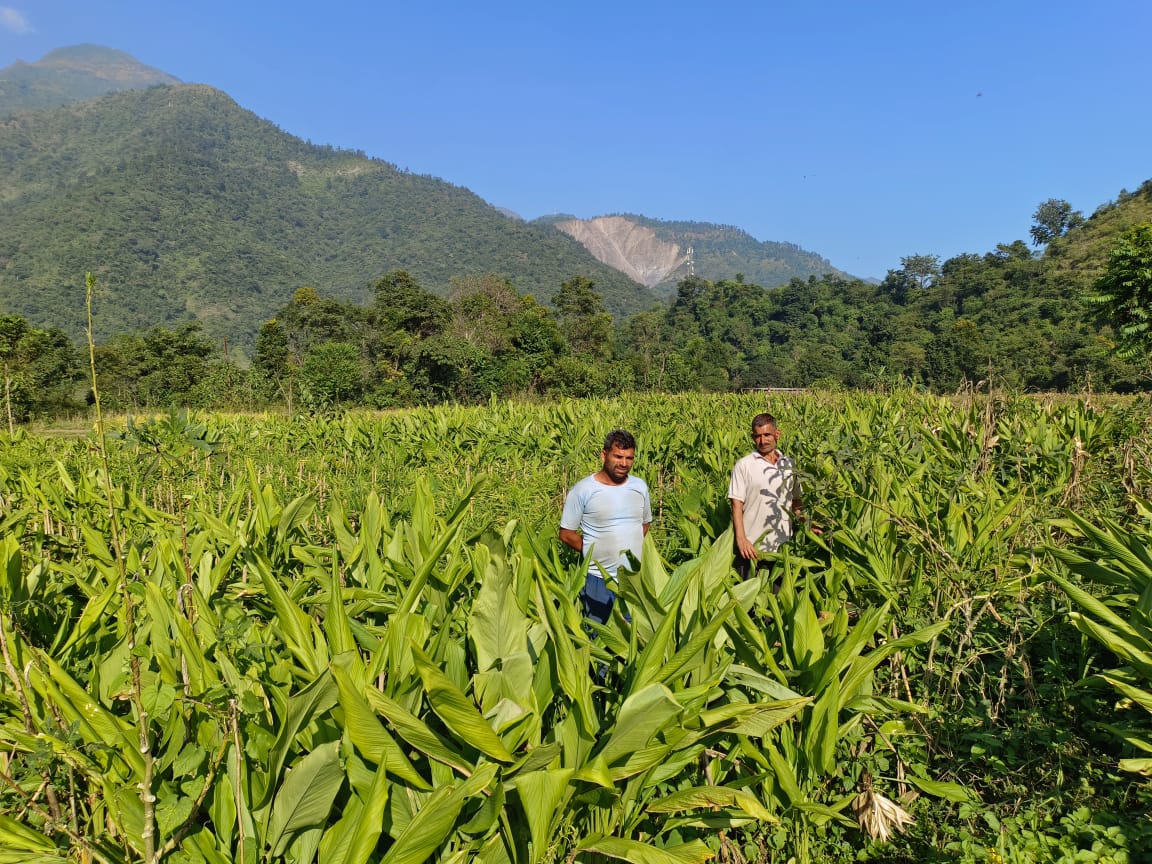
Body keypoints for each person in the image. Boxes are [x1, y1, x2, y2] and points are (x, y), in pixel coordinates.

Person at [560, 429, 653, 625]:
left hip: (633, 579)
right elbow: (566, 534)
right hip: (598, 579)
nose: (624, 463)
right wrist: (594, 552)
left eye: (629, 458)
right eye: (618, 456)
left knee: (633, 633)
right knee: (598, 633)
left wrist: (629, 550)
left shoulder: (640, 487)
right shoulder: (583, 490)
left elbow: (645, 525)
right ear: (604, 455)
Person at [728, 412, 808, 577]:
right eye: (758, 436)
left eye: (767, 435)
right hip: (752, 548)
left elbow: (796, 502)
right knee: (750, 592)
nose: (762, 441)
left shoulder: (790, 464)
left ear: (777, 434)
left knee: (779, 591)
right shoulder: (744, 465)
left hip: (782, 548)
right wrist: (741, 540)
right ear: (753, 437)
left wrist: (809, 524)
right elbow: (736, 505)